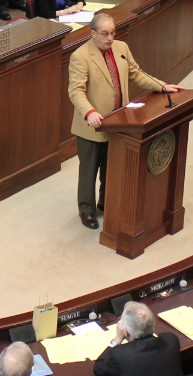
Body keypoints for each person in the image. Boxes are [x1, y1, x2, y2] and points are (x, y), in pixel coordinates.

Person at [68, 13, 183, 229]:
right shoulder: (80, 56)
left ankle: (105, 202)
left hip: (119, 122)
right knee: (89, 170)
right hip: (93, 124)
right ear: (93, 34)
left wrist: (162, 86)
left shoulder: (121, 48)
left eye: (112, 32)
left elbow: (137, 74)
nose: (110, 38)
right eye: (105, 34)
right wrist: (89, 112)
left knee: (112, 166)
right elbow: (76, 92)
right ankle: (86, 210)